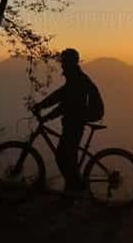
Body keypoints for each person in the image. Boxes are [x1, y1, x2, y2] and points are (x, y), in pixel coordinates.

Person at [31, 48, 103, 196]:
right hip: (75, 120)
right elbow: (60, 95)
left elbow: (65, 105)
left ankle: (74, 188)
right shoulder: (75, 77)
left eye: (63, 61)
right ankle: (73, 190)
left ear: (69, 62)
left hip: (76, 121)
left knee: (62, 156)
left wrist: (46, 115)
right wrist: (41, 106)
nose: (62, 64)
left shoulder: (76, 79)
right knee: (69, 156)